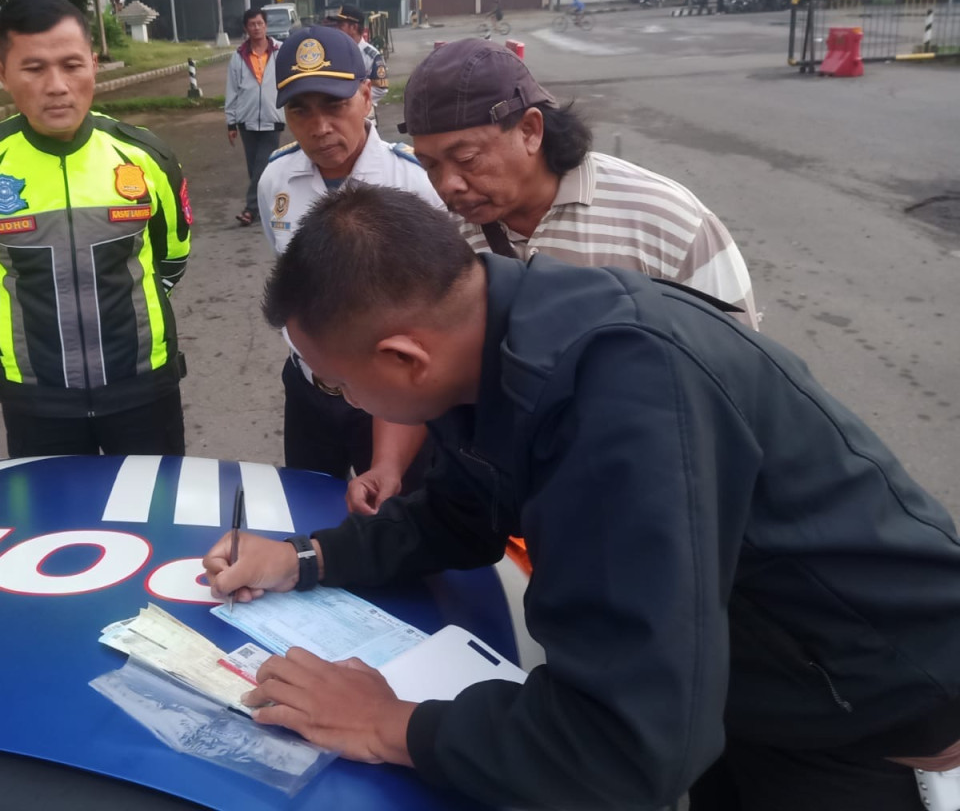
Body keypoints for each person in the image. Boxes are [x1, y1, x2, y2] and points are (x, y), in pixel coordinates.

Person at [205, 183, 960, 811]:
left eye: (337, 382)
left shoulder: (619, 400)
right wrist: (304, 557)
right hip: (744, 684)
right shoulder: (496, 336)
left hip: (869, 722)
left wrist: (390, 724)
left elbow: (627, 745)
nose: (337, 399)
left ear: (405, 357)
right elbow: (460, 511)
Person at [347, 38, 758, 517]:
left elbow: (741, 381)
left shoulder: (666, 220)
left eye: (467, 158)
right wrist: (388, 465)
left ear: (530, 129)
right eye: (431, 165)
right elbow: (422, 363)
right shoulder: (450, 237)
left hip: (658, 495)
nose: (448, 185)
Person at [0, 0, 191, 458]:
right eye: (33, 68)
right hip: (36, 397)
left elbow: (170, 258)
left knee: (155, 516)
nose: (56, 85)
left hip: (142, 386)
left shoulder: (145, 155)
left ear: (93, 64)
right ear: (2, 74)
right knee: (54, 525)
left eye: (72, 65)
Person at [256, 25, 440, 490]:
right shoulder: (276, 180)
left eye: (335, 106)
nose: (319, 128)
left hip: (392, 400)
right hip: (308, 390)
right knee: (307, 511)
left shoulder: (416, 183)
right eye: (300, 111)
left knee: (400, 519)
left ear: (366, 95)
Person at [225, 7, 284, 226]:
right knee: (254, 169)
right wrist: (230, 122)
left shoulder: (280, 51)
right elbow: (232, 90)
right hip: (246, 119)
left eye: (260, 23)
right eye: (252, 24)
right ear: (246, 28)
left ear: (266, 25)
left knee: (262, 165)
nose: (256, 28)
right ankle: (264, 206)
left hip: (273, 116)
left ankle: (250, 209)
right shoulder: (238, 56)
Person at [322, 4, 388, 112]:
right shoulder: (333, 51)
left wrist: (353, 101)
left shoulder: (371, 56)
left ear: (354, 27)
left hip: (362, 114)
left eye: (341, 25)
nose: (337, 28)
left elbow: (381, 88)